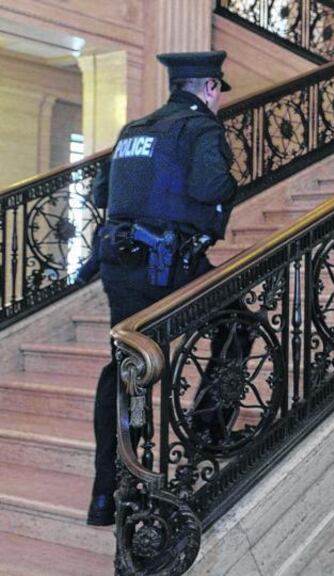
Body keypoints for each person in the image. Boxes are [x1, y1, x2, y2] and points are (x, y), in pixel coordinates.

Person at [87, 51, 237, 527]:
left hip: (120, 263)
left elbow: (100, 195)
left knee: (127, 364)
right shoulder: (201, 129)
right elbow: (211, 186)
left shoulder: (135, 129)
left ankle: (106, 494)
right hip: (170, 265)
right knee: (237, 326)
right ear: (210, 88)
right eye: (216, 91)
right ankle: (208, 429)